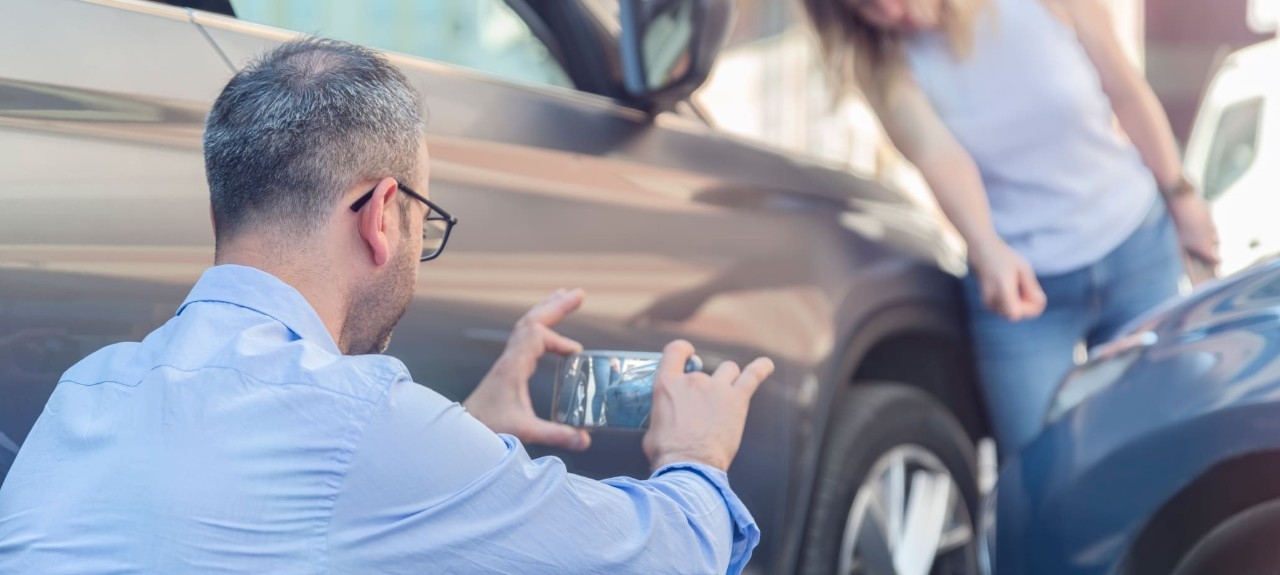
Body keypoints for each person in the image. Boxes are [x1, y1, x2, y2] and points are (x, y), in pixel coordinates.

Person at [0, 38, 774, 574]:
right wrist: (695, 458)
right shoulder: (358, 416)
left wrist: (466, 432)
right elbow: (657, 557)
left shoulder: (88, 391)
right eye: (421, 221)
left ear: (218, 218)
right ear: (380, 214)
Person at [803, 0, 1220, 455]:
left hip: (1134, 250)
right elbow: (938, 155)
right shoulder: (882, 62)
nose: (889, 9)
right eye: (865, 6)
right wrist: (986, 247)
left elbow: (1126, 91)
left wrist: (1182, 197)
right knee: (1038, 471)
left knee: (1171, 439)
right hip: (1020, 291)